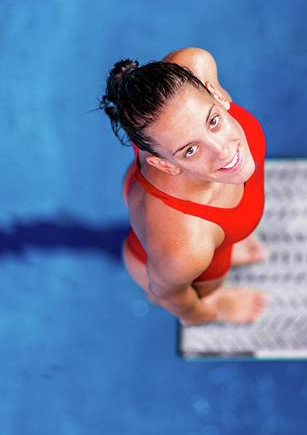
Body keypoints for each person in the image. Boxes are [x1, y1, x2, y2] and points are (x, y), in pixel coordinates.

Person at [100, 47, 268, 326]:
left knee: (215, 246)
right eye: (190, 150)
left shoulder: (193, 67)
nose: (223, 151)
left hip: (176, 214)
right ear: (165, 165)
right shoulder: (186, 248)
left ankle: (223, 243)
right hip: (168, 253)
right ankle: (218, 296)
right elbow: (167, 295)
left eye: (213, 121)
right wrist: (208, 312)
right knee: (204, 279)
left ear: (212, 91)